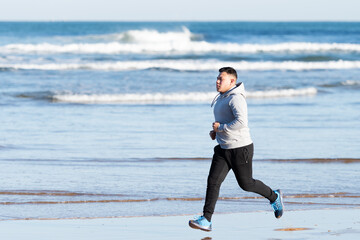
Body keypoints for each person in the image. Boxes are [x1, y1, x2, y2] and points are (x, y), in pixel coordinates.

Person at [189, 67, 284, 232]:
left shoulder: (236, 98)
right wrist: (216, 131)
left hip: (240, 148)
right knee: (213, 182)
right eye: (217, 78)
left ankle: (274, 196)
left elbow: (242, 122)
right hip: (223, 148)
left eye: (221, 79)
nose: (217, 81)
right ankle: (206, 219)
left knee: (246, 184)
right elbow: (225, 120)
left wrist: (221, 128)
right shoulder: (222, 97)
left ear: (232, 81)